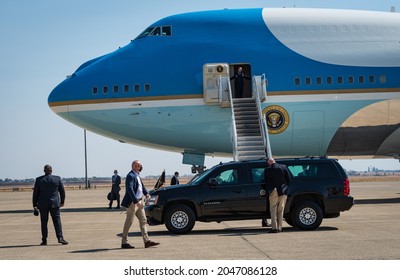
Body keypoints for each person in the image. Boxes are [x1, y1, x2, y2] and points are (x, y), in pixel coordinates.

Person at [120, 160, 160, 249]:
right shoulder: (130, 176)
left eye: (140, 165)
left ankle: (147, 241)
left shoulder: (137, 175)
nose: (139, 167)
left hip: (139, 202)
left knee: (143, 220)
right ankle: (124, 242)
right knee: (129, 222)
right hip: (133, 203)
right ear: (133, 167)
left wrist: (147, 194)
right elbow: (129, 189)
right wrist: (135, 201)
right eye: (137, 166)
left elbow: (141, 186)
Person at [32, 165, 68, 245]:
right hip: (54, 204)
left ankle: (44, 240)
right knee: (57, 221)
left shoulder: (39, 180)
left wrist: (34, 205)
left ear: (44, 171)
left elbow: (35, 193)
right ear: (51, 170)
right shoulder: (57, 179)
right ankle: (60, 238)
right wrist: (62, 201)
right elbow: (62, 191)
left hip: (43, 204)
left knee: (44, 222)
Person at [263, 158, 291, 233]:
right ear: (274, 161)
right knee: (280, 210)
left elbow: (265, 181)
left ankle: (274, 228)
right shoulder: (283, 167)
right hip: (283, 191)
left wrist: (268, 189)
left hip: (273, 191)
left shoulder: (267, 169)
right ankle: (279, 228)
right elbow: (289, 179)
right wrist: (285, 187)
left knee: (273, 209)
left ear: (269, 163)